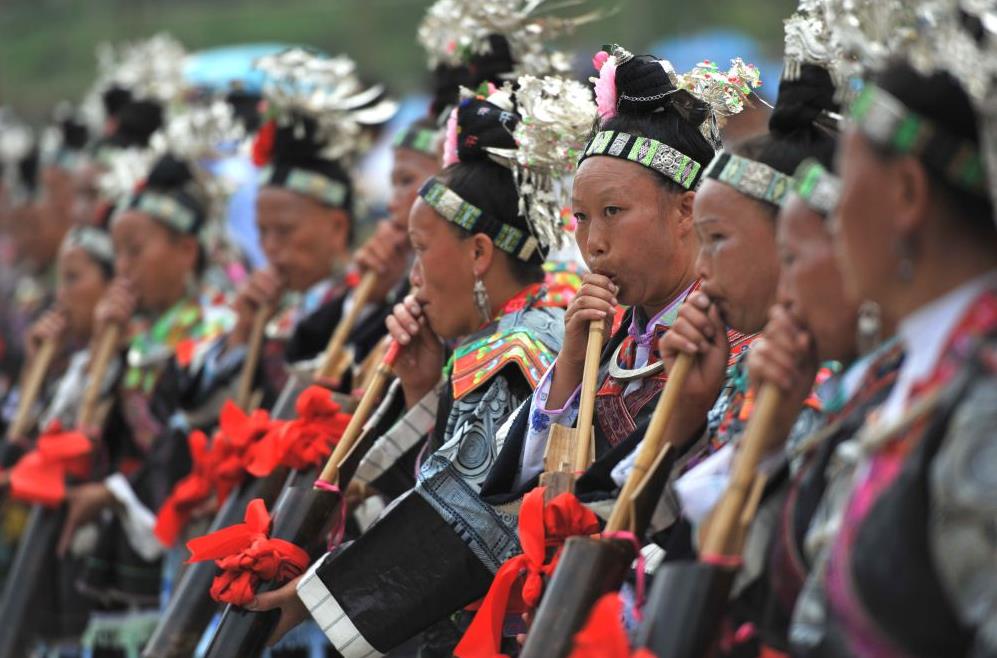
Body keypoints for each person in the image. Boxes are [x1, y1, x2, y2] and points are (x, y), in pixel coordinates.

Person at [251, 75, 587, 657]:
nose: (412, 278)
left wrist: (315, 595)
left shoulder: (525, 346)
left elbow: (463, 512)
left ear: (479, 253)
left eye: (421, 250)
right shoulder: (487, 342)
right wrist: (418, 387)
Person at [787, 52, 997, 658]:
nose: (836, 219)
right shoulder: (920, 370)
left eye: (846, 181)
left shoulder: (984, 396)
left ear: (906, 193)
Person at [54, 153, 233, 654]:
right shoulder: (133, 334)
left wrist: (116, 492)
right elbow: (87, 430)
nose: (124, 268)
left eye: (135, 250)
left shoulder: (218, 327)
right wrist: (103, 348)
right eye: (118, 253)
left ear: (186, 249)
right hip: (128, 534)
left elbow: (194, 434)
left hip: (182, 528)